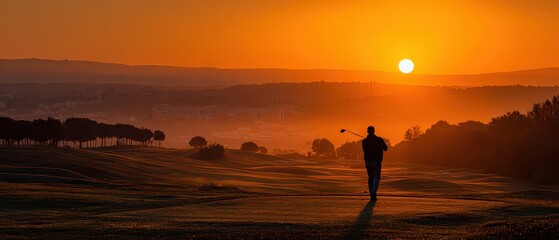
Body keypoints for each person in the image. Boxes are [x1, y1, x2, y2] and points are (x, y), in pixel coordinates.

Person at [361, 126, 388, 201]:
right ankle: (373, 193)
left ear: (367, 131)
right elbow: (385, 148)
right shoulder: (379, 140)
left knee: (371, 177)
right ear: (374, 131)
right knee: (376, 178)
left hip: (368, 162)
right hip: (376, 162)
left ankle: (372, 194)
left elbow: (365, 151)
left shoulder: (364, 141)